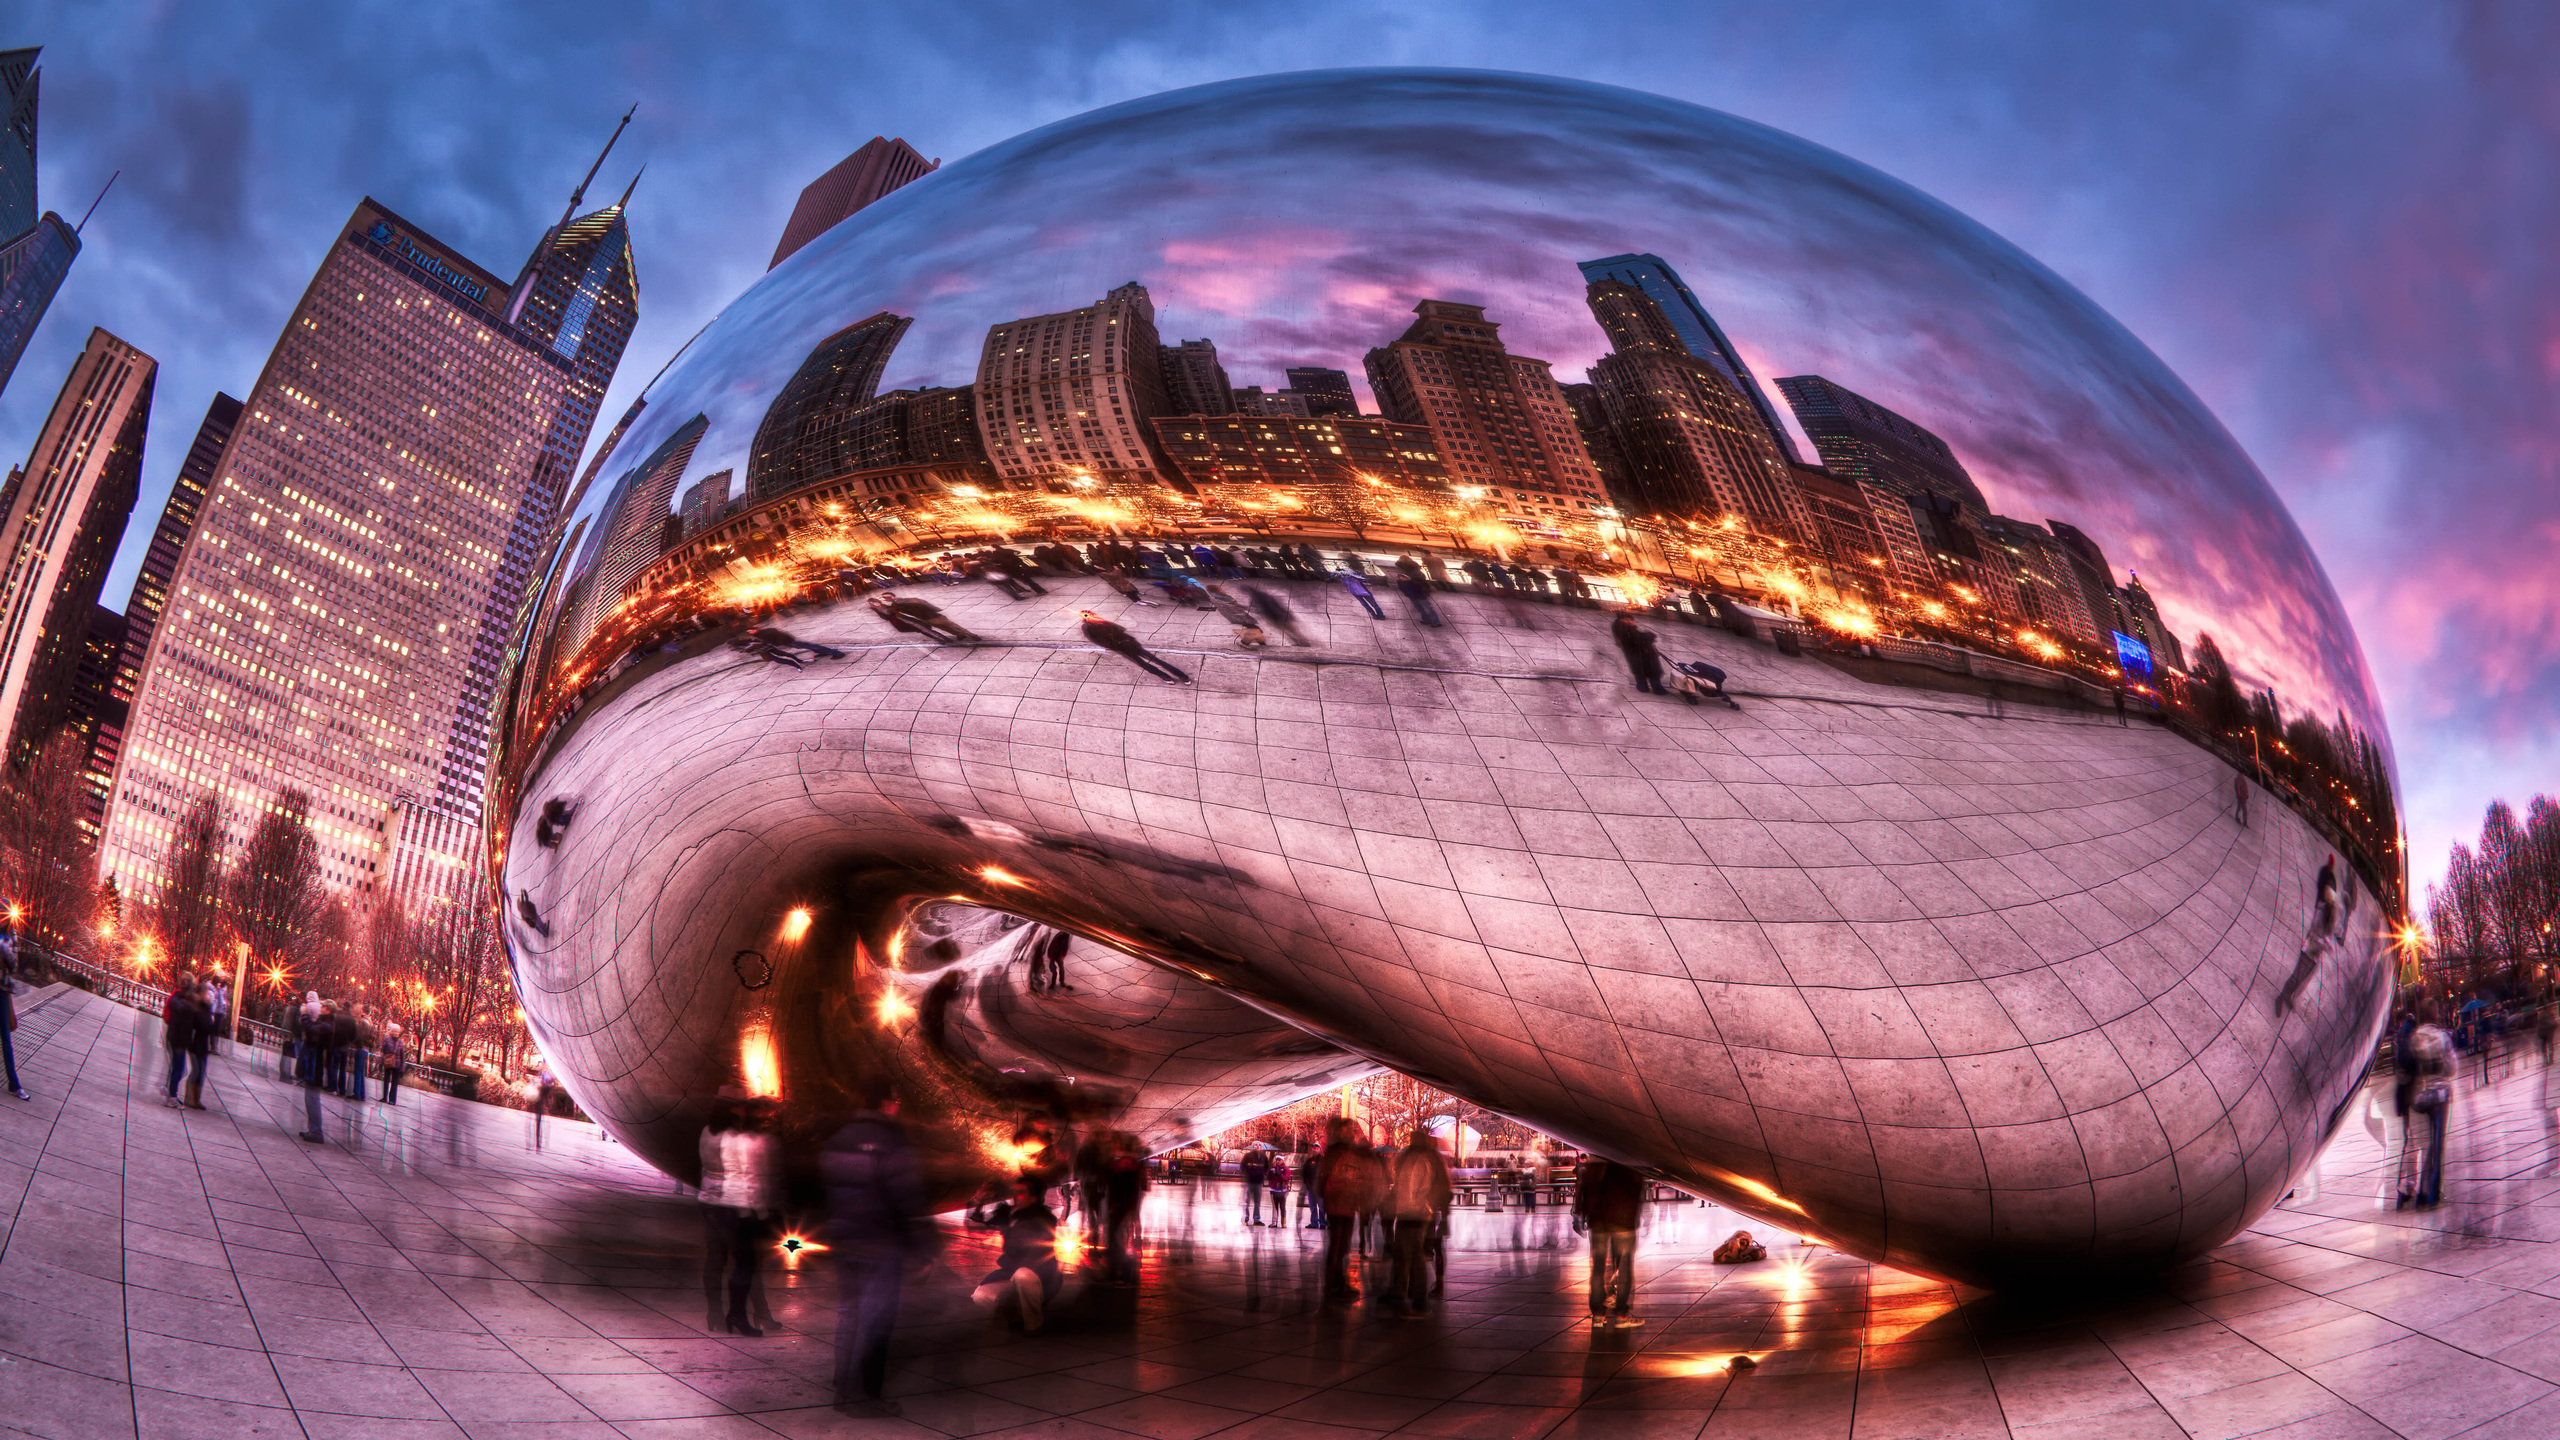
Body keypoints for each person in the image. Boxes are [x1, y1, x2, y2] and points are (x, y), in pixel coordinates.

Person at [824, 1077, 927, 1415]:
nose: (897, 1106)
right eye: (895, 1100)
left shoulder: (840, 1136)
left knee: (848, 1315)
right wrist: (917, 1248)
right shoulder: (892, 1140)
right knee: (875, 1321)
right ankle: (863, 1397)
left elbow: (827, 1189)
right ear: (886, 1102)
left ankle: (842, 1385)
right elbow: (904, 1198)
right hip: (880, 1242)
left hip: (844, 1238)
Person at [699, 1089, 781, 1336]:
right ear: (732, 1109)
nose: (745, 1110)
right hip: (732, 1205)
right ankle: (747, 1314)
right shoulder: (736, 1138)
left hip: (709, 1200)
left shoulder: (707, 1131)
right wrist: (760, 1211)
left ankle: (715, 1312)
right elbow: (745, 1177)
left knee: (716, 1260)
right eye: (741, 1106)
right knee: (746, 1262)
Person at [969, 1181, 1064, 1333]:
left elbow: (1027, 1238)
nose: (1016, 1197)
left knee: (1023, 1275)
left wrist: (1008, 1220)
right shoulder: (1010, 1214)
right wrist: (979, 1202)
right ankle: (1016, 1316)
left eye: (1021, 1193)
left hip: (1041, 1275)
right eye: (1014, 1192)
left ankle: (1033, 1324)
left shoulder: (1043, 1218)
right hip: (1012, 1272)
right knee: (981, 1296)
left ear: (1034, 1198)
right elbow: (976, 1227)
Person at [1383, 1128, 1452, 1315]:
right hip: (1412, 1212)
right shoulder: (1420, 1157)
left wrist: (1432, 1207)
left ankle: (1413, 1294)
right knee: (1408, 1253)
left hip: (1416, 1213)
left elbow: (1429, 1186)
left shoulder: (1419, 1158)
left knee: (1413, 1254)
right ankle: (1407, 1292)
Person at [1573, 1156, 1646, 1327]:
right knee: (1623, 1266)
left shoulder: (1594, 1163)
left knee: (1598, 1268)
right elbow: (1635, 1187)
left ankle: (1598, 1315)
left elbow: (1582, 1188)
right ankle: (1621, 1314)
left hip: (1598, 1221)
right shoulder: (1625, 1159)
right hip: (1623, 1219)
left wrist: (1580, 1213)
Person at [1317, 1118, 1384, 1301]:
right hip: (1339, 1205)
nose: (1351, 1132)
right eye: (1348, 1129)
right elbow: (1340, 1177)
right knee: (1338, 1246)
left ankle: (1337, 1283)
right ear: (1340, 1131)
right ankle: (1334, 1285)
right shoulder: (1338, 1151)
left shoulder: (1341, 1150)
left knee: (1341, 1246)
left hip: (1344, 1204)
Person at [2403, 1009, 2454, 1209]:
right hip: (2439, 1095)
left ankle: (2419, 1193)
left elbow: (2409, 1067)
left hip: (2420, 1097)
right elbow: (2452, 1068)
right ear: (2435, 1016)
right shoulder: (2441, 1037)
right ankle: (2432, 1194)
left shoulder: (2414, 1039)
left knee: (2424, 1147)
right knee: (2437, 1146)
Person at [1080, 611, 1191, 683]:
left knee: (1154, 661)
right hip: (1123, 647)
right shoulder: (1088, 628)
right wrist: (1115, 642)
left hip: (1129, 644)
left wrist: (1108, 628)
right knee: (1145, 663)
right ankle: (1167, 676)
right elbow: (1100, 641)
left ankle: (1181, 676)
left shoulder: (1101, 622)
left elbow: (1120, 629)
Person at [161, 974, 203, 1109]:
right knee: (180, 1069)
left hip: (178, 1038)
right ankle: (171, 1096)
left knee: (178, 1068)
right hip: (178, 1038)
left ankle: (170, 1092)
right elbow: (183, 1013)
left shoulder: (180, 997)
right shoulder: (180, 998)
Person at [296, 999, 334, 1144]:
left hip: (316, 1066)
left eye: (323, 1006)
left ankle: (317, 1132)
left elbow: (311, 1030)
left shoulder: (327, 1025)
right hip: (315, 1065)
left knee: (312, 1099)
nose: (321, 1007)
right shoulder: (325, 1023)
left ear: (328, 1009)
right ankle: (313, 1129)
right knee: (310, 1098)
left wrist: (305, 1016)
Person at [1611, 612, 1669, 695]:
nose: (1631, 621)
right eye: (1627, 619)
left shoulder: (1623, 628)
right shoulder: (1625, 629)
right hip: (1641, 655)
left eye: (1631, 620)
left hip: (1635, 655)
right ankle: (1656, 689)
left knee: (1639, 671)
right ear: (1622, 620)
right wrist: (1648, 637)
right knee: (1651, 671)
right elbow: (1637, 638)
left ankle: (1642, 687)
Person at [1671, 659, 1740, 709]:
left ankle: (1689, 695)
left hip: (1711, 675)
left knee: (1693, 681)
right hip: (1714, 674)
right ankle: (1688, 694)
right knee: (1713, 689)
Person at [1239, 1146, 1270, 1226]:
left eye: (1259, 1145)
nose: (1258, 1146)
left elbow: (1267, 1167)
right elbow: (1242, 1166)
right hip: (1249, 1181)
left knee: (1257, 1202)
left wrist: (1263, 1174)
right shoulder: (1248, 1156)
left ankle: (1257, 1219)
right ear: (1253, 1147)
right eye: (1256, 1145)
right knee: (1247, 1200)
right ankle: (1245, 1217)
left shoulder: (1263, 1157)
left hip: (1258, 1182)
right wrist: (1247, 1173)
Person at [377, 1023, 407, 1103]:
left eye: (397, 1032)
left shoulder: (401, 1043)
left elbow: (403, 1057)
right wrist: (381, 1063)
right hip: (388, 1062)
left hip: (397, 1064)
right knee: (386, 1080)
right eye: (394, 1031)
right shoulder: (387, 1040)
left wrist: (402, 1068)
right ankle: (384, 1097)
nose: (396, 1033)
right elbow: (383, 1052)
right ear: (391, 1031)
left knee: (394, 1082)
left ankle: (392, 1100)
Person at [1266, 1146, 1293, 1228]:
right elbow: (1268, 1178)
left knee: (1282, 1206)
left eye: (1279, 1160)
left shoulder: (1286, 1169)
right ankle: (1274, 1222)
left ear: (1282, 1160)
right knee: (1274, 1206)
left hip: (1282, 1190)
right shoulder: (1273, 1168)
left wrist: (1280, 1174)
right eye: (1277, 1160)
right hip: (1274, 1189)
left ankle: (1283, 1222)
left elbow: (1286, 1178)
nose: (1278, 1161)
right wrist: (1270, 1173)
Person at [534, 1063, 562, 1144]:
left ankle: (538, 1140)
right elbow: (551, 1085)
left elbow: (549, 1085)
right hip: (542, 1096)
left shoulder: (545, 1074)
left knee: (539, 1117)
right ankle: (538, 1140)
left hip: (541, 1096)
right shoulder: (546, 1074)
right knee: (539, 1117)